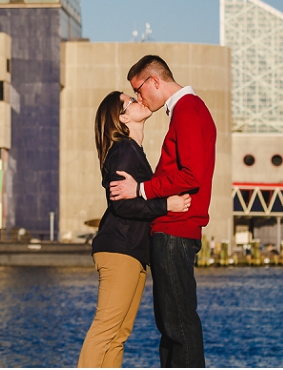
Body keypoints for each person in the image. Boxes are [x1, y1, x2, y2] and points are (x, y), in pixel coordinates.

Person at [109, 55, 216, 368]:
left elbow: (192, 174)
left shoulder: (188, 109)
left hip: (175, 229)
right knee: (170, 323)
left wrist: (141, 190)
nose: (140, 98)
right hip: (173, 228)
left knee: (177, 323)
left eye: (140, 90)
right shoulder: (186, 111)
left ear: (154, 80)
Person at [78, 91, 192, 368]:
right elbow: (124, 206)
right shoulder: (124, 150)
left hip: (133, 252)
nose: (139, 101)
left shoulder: (131, 151)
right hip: (120, 251)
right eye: (132, 100)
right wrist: (167, 205)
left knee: (119, 335)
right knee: (106, 330)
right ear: (122, 117)